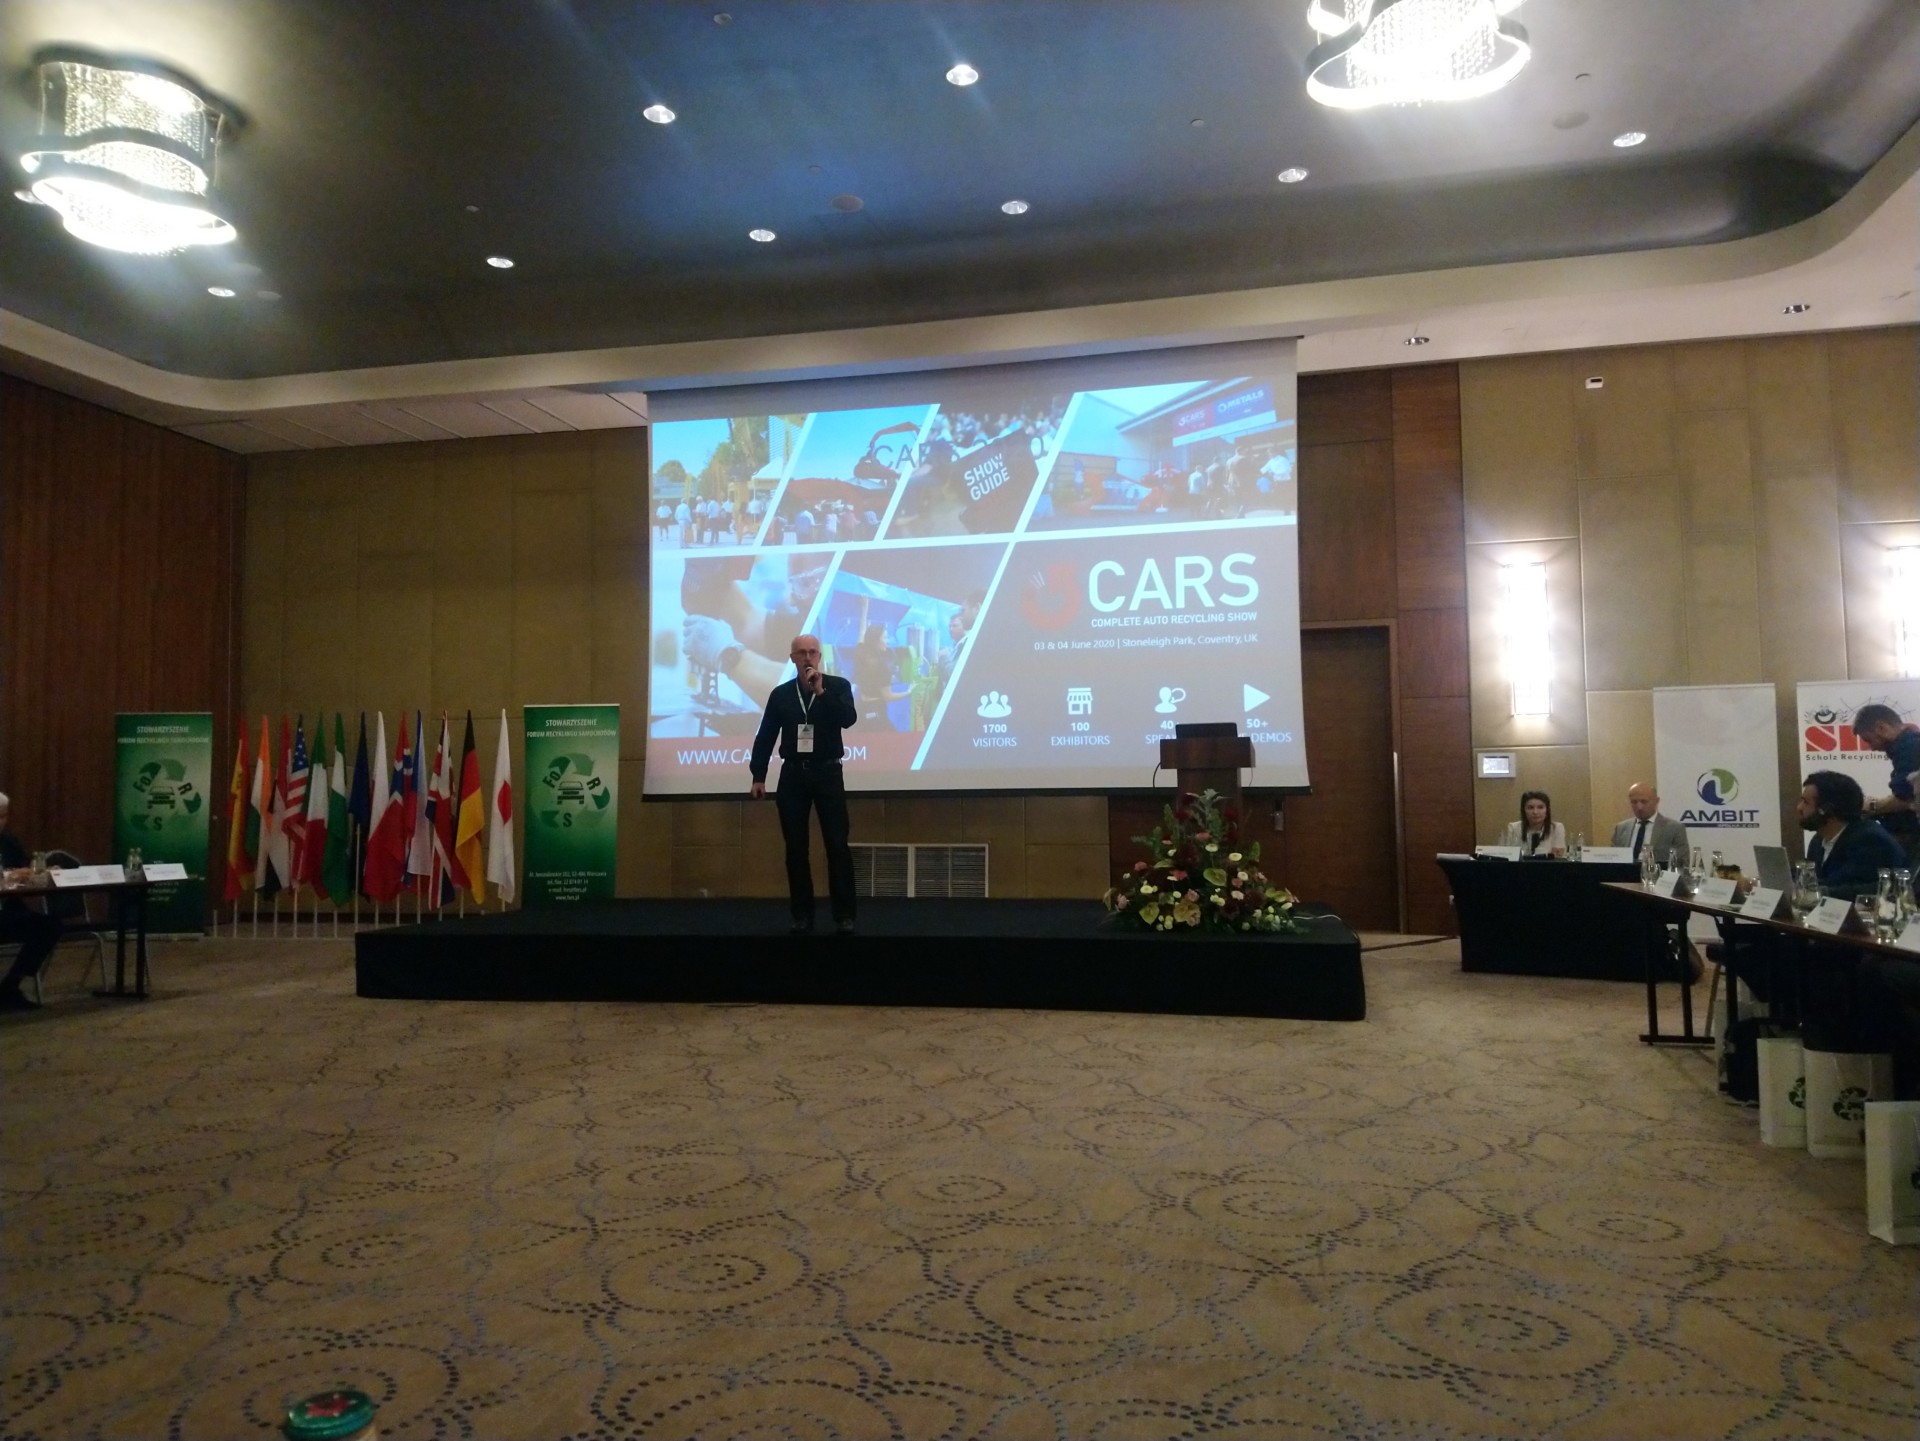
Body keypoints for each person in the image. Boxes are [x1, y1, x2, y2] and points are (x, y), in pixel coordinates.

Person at [749, 635, 859, 933]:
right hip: (794, 776)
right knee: (796, 848)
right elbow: (766, 734)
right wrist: (758, 775)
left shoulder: (838, 686)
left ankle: (845, 915)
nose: (807, 657)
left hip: (828, 773)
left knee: (837, 844)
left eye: (812, 652)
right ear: (793, 659)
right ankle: (802, 915)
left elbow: (848, 718)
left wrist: (821, 692)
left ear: (819, 656)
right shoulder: (781, 694)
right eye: (801, 653)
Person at [1797, 769, 1907, 899]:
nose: (1799, 808)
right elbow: (1814, 881)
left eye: (1806, 802)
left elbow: (1853, 889)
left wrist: (1811, 891)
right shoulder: (1818, 841)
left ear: (1827, 810)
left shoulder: (1870, 840)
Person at [0, 792, 63, 1011]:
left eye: (3, 817)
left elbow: (28, 868)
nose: (1, 822)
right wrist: (12, 875)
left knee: (50, 926)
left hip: (8, 911)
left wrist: (43, 871)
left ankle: (10, 985)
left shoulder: (9, 841)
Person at [1853, 703, 1920, 868]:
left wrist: (1871, 806)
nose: (1872, 748)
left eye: (1869, 740)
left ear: (1881, 728)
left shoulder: (1911, 748)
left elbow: (1907, 798)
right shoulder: (1909, 746)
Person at [1609, 782, 1688, 866]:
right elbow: (1613, 860)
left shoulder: (1674, 829)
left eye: (1644, 801)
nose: (1639, 807)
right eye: (1634, 802)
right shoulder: (1621, 828)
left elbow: (1682, 863)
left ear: (1656, 801)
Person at [1500, 790, 1566, 858]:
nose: (1535, 812)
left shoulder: (1556, 828)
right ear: (1524, 810)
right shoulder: (1513, 828)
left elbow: (1557, 857)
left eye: (1540, 807)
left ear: (1547, 810)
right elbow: (1506, 855)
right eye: (1530, 808)